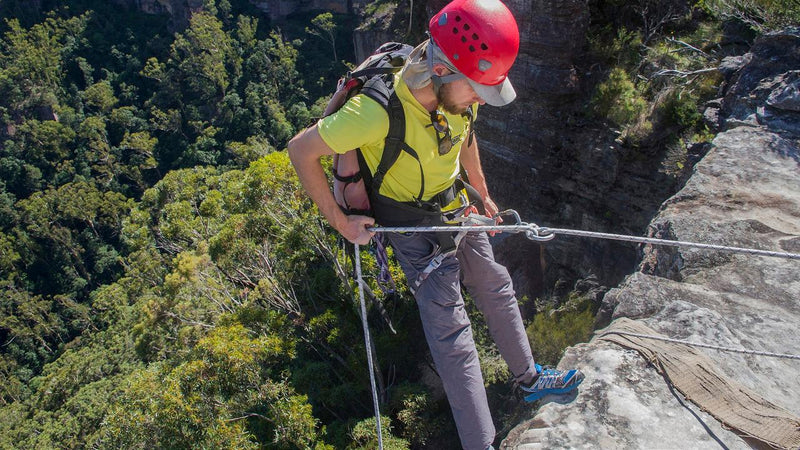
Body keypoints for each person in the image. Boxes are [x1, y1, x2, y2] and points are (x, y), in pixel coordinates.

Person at [288, 0, 584, 448]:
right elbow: (300, 150)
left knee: (494, 283)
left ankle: (529, 379)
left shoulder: (458, 94)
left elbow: (466, 136)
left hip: (454, 206)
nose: (478, 101)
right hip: (410, 227)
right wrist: (341, 224)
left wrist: (481, 192)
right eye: (475, 90)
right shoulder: (374, 112)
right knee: (453, 336)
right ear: (443, 68)